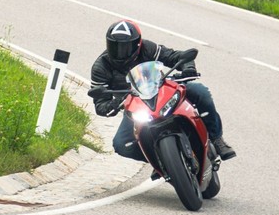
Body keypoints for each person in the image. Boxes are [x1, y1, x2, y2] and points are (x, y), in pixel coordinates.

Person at [90, 20, 235, 169]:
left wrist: (188, 67)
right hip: (135, 106)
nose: (120, 52)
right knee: (121, 144)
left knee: (200, 92)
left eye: (126, 47)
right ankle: (160, 161)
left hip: (161, 90)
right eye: (115, 47)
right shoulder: (100, 66)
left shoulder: (148, 48)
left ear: (137, 45)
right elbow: (100, 105)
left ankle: (217, 139)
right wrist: (115, 103)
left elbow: (175, 56)